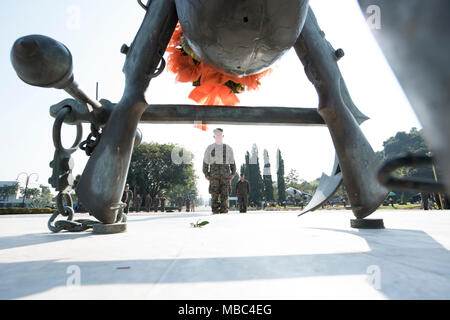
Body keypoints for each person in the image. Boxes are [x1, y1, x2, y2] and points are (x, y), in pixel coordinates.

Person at [203, 128, 236, 214]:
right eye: (216, 135)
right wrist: (206, 173)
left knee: (225, 195)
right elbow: (205, 162)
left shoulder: (228, 148)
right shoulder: (209, 148)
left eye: (220, 135)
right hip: (214, 176)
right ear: (214, 136)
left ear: (223, 136)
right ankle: (215, 211)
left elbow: (232, 161)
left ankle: (224, 211)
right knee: (214, 194)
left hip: (225, 176)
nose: (218, 137)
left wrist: (233, 172)